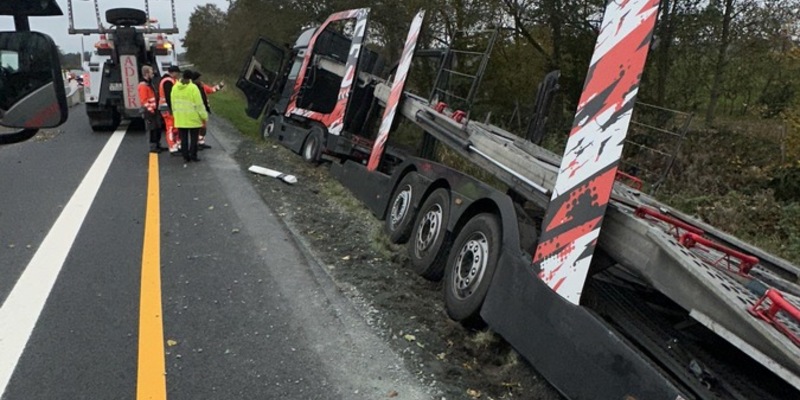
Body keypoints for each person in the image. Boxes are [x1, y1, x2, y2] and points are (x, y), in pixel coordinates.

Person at [171, 69, 208, 162]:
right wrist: (204, 116)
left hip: (180, 118)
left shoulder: (175, 87)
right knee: (194, 139)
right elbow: (199, 104)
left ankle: (185, 156)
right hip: (193, 118)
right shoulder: (193, 88)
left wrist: (175, 114)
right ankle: (193, 155)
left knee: (183, 139)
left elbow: (173, 103)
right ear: (191, 77)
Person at [189, 70, 224, 149]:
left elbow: (211, 90)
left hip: (202, 110)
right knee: (196, 128)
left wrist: (220, 86)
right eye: (198, 79)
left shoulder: (202, 86)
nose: (200, 80)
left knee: (203, 127)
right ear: (194, 80)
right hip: (194, 111)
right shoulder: (190, 88)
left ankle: (201, 142)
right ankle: (195, 143)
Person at [138, 65, 162, 153]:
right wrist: (151, 110)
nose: (153, 74)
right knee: (152, 129)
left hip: (154, 109)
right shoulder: (143, 85)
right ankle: (153, 147)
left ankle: (157, 145)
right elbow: (144, 100)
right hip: (150, 111)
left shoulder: (149, 83)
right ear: (146, 73)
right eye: (151, 72)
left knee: (157, 128)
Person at [158, 65, 181, 154]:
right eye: (177, 73)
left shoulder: (169, 80)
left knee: (174, 127)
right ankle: (172, 147)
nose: (178, 75)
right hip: (167, 107)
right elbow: (169, 97)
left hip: (167, 107)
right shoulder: (167, 81)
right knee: (170, 127)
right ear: (173, 72)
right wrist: (173, 109)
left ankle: (175, 145)